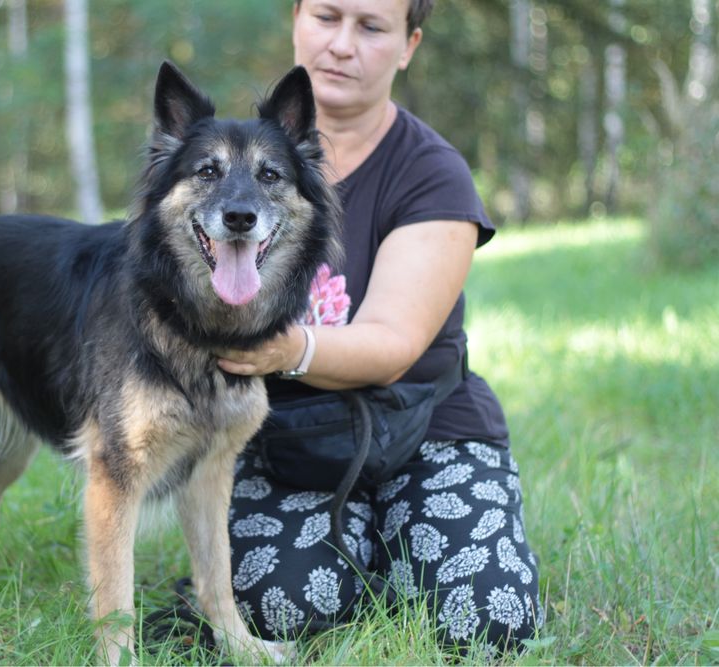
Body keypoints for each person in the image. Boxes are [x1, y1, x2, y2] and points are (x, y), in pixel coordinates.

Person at [215, 0, 543, 654]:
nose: (341, 45)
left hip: (425, 423)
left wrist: (284, 347)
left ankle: (404, 539)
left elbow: (392, 345)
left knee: (488, 617)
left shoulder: (430, 173)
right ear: (296, 19)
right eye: (327, 17)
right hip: (286, 439)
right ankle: (364, 546)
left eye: (370, 27)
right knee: (284, 605)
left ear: (408, 45)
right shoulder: (228, 160)